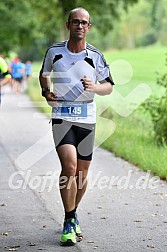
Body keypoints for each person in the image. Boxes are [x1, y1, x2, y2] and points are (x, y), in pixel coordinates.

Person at [39, 7, 114, 246]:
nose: (79, 26)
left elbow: (109, 86)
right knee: (69, 166)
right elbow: (44, 74)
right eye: (75, 22)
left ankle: (71, 214)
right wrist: (45, 91)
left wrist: (94, 87)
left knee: (82, 174)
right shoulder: (54, 52)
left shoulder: (95, 55)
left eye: (84, 23)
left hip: (87, 117)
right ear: (68, 24)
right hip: (62, 115)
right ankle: (69, 220)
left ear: (89, 27)